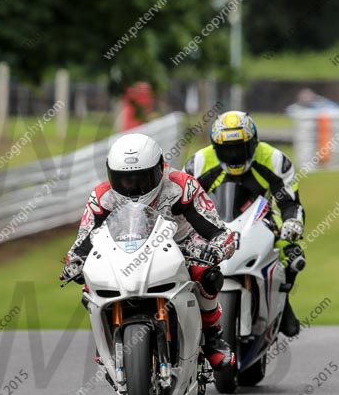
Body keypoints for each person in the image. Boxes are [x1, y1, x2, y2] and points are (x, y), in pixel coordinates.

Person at [60, 133, 237, 370]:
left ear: (160, 169)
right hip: (123, 250)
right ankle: (107, 337)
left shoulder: (181, 186)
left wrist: (215, 250)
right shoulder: (102, 197)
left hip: (180, 245)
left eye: (141, 178)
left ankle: (213, 337)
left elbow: (218, 231)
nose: (133, 187)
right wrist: (75, 261)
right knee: (90, 281)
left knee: (206, 273)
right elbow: (84, 239)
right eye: (125, 180)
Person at [184, 110, 305, 336]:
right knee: (182, 260)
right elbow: (181, 200)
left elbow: (291, 203)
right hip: (213, 222)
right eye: (227, 149)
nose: (234, 156)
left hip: (262, 219)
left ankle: (284, 304)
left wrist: (292, 223)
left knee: (293, 255)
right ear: (215, 146)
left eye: (240, 148)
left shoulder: (275, 160)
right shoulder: (199, 163)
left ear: (253, 142)